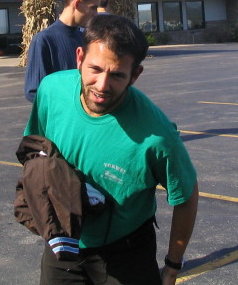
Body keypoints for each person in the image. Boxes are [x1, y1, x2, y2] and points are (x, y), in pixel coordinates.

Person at [23, 14, 198, 285]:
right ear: (79, 58)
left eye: (117, 75)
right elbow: (36, 149)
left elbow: (185, 195)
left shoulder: (157, 136)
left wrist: (172, 266)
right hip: (62, 247)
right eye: (95, 69)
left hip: (126, 254)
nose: (102, 86)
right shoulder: (51, 91)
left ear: (135, 75)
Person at [24, 0, 102, 102]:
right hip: (62, 118)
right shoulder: (44, 40)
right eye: (93, 8)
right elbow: (34, 92)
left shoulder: (86, 38)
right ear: (77, 4)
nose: (95, 14)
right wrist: (69, 108)